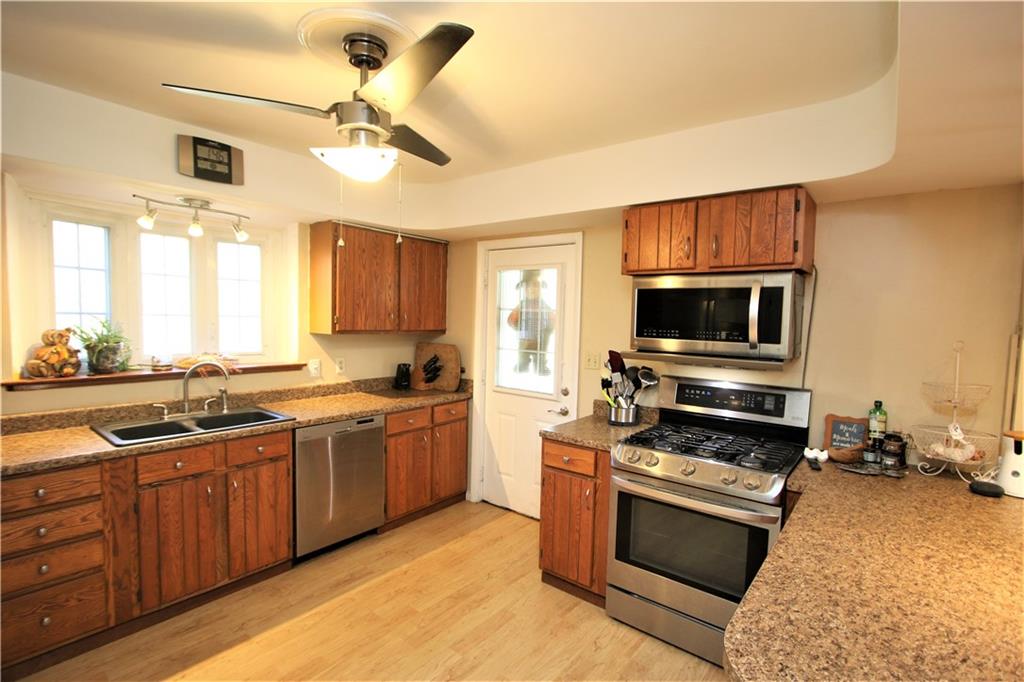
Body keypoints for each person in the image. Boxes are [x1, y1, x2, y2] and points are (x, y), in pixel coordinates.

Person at [506, 271, 556, 375]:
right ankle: (523, 365)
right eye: (528, 287)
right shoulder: (522, 304)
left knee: (541, 355)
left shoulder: (543, 305)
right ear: (524, 289)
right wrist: (514, 323)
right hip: (525, 336)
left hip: (540, 337)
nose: (532, 290)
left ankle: (540, 367)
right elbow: (512, 318)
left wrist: (551, 326)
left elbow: (552, 317)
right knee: (523, 353)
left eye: (536, 287)